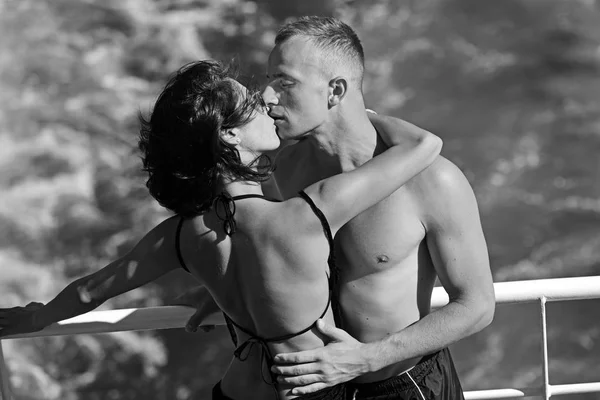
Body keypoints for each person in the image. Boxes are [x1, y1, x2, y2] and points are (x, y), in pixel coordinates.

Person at [0, 60, 442, 400]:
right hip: (309, 390)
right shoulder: (309, 214)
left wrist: (36, 317)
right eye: (252, 104)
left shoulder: (180, 235)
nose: (267, 104)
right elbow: (424, 146)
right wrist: (359, 111)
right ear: (229, 136)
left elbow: (90, 291)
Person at [185, 16, 496, 400]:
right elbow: (281, 249)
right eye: (268, 80)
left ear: (335, 91)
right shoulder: (285, 165)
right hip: (321, 386)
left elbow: (477, 305)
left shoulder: (432, 181)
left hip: (403, 385)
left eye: (285, 82)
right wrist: (232, 287)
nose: (266, 97)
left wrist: (366, 358)